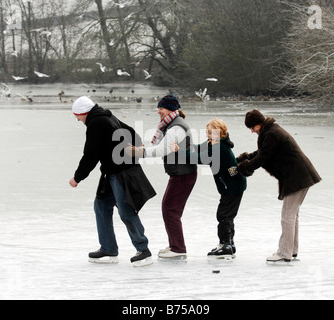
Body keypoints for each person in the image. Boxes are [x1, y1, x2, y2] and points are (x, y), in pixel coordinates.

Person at [69, 96, 156, 267]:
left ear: (83, 112)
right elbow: (130, 130)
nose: (78, 119)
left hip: (121, 173)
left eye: (77, 115)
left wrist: (78, 177)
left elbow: (91, 155)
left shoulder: (96, 123)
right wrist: (137, 143)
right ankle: (108, 248)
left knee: (126, 210)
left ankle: (143, 249)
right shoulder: (107, 116)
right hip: (112, 172)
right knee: (101, 206)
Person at [237, 110, 322, 263]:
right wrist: (246, 158)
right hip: (299, 175)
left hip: (297, 177)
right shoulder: (270, 131)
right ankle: (292, 250)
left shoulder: (272, 134)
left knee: (287, 216)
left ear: (259, 123)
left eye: (252, 127)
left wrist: (244, 167)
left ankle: (284, 252)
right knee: (292, 215)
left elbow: (263, 157)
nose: (252, 131)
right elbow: (261, 152)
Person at [128, 96, 197, 260]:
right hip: (180, 173)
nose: (158, 111)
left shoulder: (176, 127)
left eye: (161, 108)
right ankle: (176, 245)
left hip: (183, 174)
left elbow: (163, 149)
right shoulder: (170, 125)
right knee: (170, 209)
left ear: (171, 109)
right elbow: (158, 145)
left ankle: (178, 248)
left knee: (170, 210)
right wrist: (142, 148)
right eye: (158, 108)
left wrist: (140, 153)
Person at [172, 119, 247, 259]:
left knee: (224, 215)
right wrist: (184, 146)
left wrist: (179, 151)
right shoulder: (212, 143)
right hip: (229, 186)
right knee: (227, 215)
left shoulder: (220, 148)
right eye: (208, 133)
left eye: (213, 133)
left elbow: (199, 158)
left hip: (233, 186)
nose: (210, 135)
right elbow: (197, 148)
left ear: (221, 133)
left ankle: (226, 245)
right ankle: (228, 243)